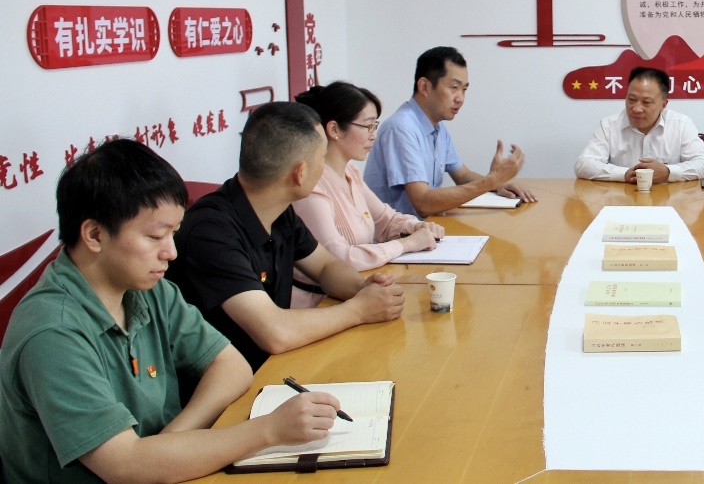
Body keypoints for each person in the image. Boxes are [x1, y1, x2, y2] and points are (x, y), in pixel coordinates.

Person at [0, 140, 341, 483]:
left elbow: (231, 366)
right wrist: (268, 431)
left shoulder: (148, 289)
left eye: (174, 234)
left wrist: (171, 441)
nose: (171, 252)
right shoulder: (53, 332)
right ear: (94, 235)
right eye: (155, 236)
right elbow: (124, 465)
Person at [168, 102, 406, 372]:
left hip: (274, 366)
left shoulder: (279, 211)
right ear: (300, 173)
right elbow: (275, 332)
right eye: (322, 159)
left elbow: (325, 266)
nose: (325, 168)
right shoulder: (211, 233)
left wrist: (363, 290)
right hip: (231, 382)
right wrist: (360, 310)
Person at [291, 81, 446, 308]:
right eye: (367, 126)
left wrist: (416, 227)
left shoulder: (350, 172)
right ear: (334, 130)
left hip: (359, 290)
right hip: (319, 303)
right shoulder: (312, 186)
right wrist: (405, 244)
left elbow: (386, 220)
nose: (373, 135)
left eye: (375, 126)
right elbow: (339, 258)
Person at [364, 46, 535, 217]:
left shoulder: (437, 127)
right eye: (454, 87)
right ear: (424, 87)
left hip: (425, 228)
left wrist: (498, 184)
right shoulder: (401, 128)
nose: (460, 98)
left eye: (464, 89)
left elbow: (463, 175)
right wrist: (491, 180)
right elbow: (422, 203)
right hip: (396, 233)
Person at [574, 66, 704, 184]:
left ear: (663, 105)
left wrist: (668, 172)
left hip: (669, 200)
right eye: (631, 99)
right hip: (622, 201)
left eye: (646, 102)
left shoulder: (681, 124)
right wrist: (624, 174)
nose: (636, 108)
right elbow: (583, 165)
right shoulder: (609, 125)